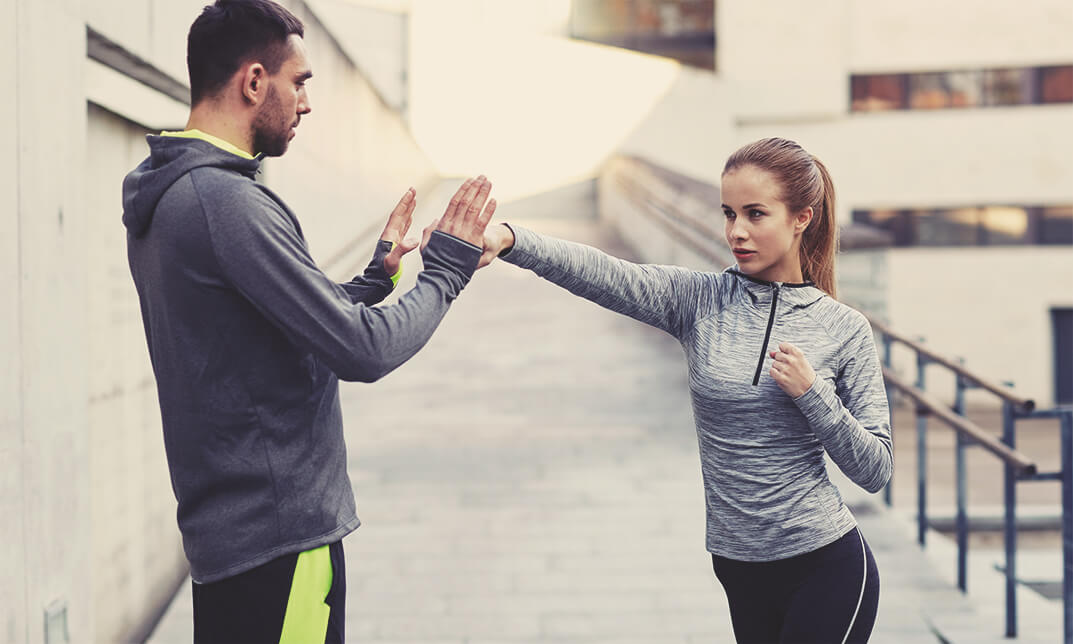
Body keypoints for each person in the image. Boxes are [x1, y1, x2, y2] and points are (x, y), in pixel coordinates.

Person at [121, 1, 496, 642]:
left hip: (232, 543)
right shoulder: (228, 202)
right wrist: (447, 270)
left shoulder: (170, 192)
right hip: (278, 543)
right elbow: (361, 351)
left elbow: (262, 327)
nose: (307, 102)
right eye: (300, 82)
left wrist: (375, 279)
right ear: (254, 81)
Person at [480, 137, 891, 643]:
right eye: (728, 213)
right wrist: (511, 239)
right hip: (738, 566)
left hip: (825, 565)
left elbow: (875, 469)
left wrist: (813, 396)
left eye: (755, 214)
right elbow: (605, 274)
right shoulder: (699, 301)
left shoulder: (843, 328)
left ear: (801, 218)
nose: (736, 232)